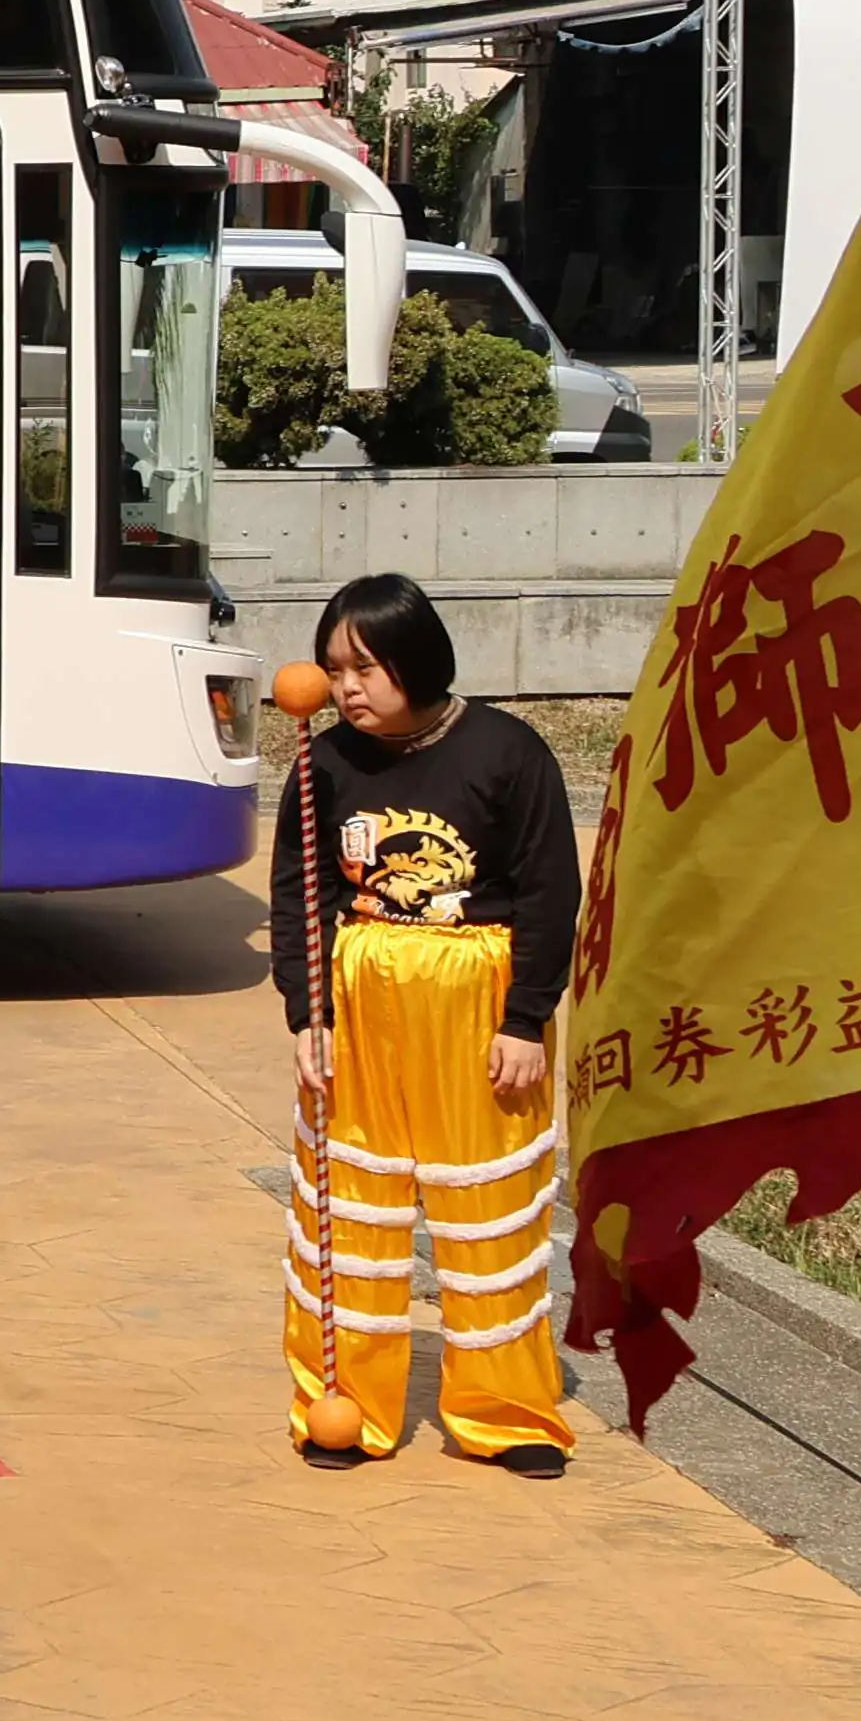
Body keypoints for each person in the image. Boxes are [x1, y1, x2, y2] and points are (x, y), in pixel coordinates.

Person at [266, 571, 580, 1467]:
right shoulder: (323, 764)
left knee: (487, 1211)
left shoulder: (510, 752)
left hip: (478, 1001)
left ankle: (504, 1413)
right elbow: (300, 895)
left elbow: (551, 893)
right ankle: (345, 1406)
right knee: (350, 1209)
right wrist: (309, 1013)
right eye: (334, 670)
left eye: (364, 669)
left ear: (417, 660)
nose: (346, 689)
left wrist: (525, 1019)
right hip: (361, 1003)